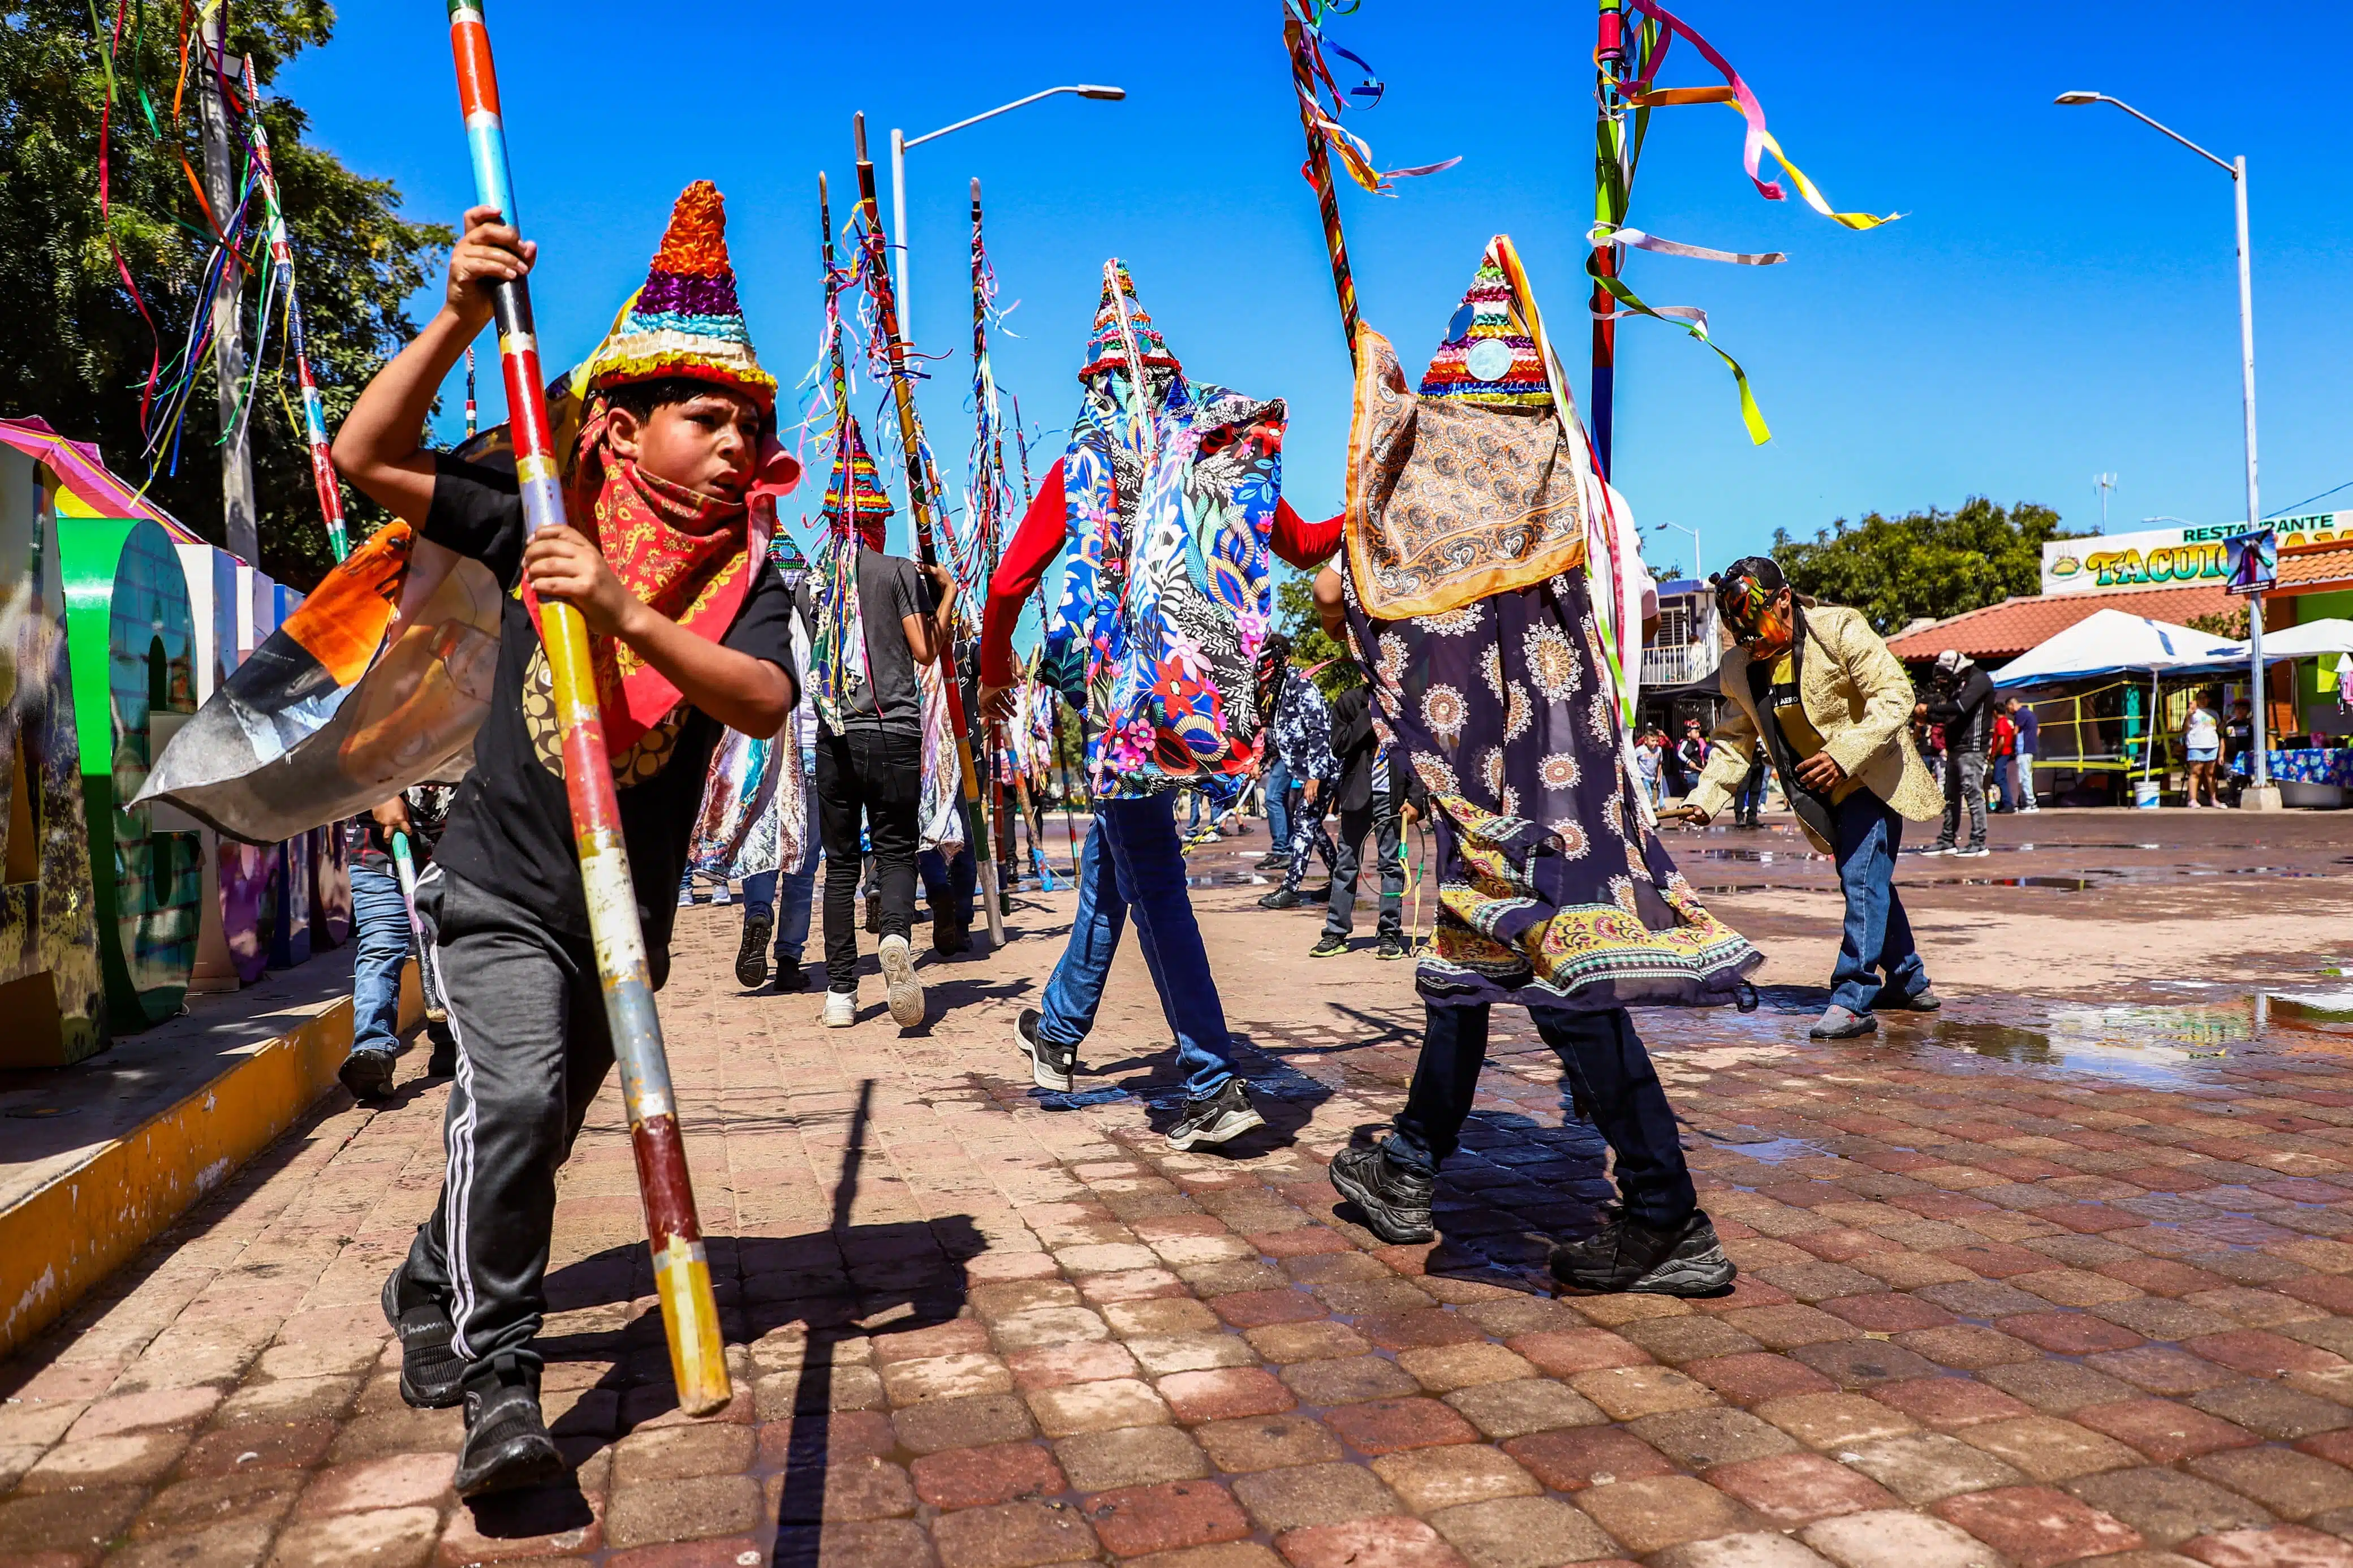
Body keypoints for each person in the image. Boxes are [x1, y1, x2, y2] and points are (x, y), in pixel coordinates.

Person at [333, 187, 800, 1498]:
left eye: (746, 429)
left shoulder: (749, 575)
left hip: (624, 916)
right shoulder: (543, 504)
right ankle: (503, 1391)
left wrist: (623, 616)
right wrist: (457, 317)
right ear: (617, 422)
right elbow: (368, 455)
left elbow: (761, 699)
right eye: (704, 419)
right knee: (519, 1096)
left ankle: (428, 1275)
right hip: (499, 883)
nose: (730, 448)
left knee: (532, 1126)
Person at [1317, 240, 1760, 1295]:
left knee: (1569, 988)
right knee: (1472, 970)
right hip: (1575, 774)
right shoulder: (1586, 495)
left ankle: (1666, 1215)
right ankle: (1414, 1161)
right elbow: (1635, 615)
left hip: (1500, 792)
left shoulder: (1433, 508)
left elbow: (1356, 608)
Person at [976, 261, 1339, 1149]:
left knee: (1152, 879)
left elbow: (1011, 584)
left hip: (1114, 712)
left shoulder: (1080, 472)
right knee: (1119, 870)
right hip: (1188, 702)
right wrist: (1365, 513)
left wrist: (993, 674)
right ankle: (1057, 1031)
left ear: (1093, 386)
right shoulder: (1208, 468)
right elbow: (1298, 544)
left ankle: (1211, 1081)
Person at [1681, 556, 1943, 1041]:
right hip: (1819, 795)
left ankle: (1852, 998)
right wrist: (1706, 796)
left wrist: (1843, 755)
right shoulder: (1740, 667)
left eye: (1754, 623)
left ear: (1784, 601)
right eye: (1738, 631)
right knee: (1870, 881)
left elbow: (1894, 698)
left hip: (1871, 776)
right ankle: (1908, 979)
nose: (1749, 640)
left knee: (1862, 879)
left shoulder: (1839, 628)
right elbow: (1733, 739)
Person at [797, 413, 958, 1028]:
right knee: (894, 851)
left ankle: (840, 993)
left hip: (834, 735)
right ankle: (894, 935)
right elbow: (926, 652)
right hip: (891, 730)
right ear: (869, 519)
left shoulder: (813, 584)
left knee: (839, 863)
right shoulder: (894, 573)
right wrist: (944, 595)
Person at [340, 785, 457, 1100]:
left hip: (455, 846)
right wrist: (378, 792)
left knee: (450, 940)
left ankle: (451, 1040)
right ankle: (372, 1049)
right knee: (381, 945)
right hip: (378, 852)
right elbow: (347, 753)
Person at [1308, 680, 1407, 959]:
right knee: (1347, 863)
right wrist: (1370, 713)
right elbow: (1339, 746)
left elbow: (1417, 753)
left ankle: (1389, 933)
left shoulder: (1403, 702)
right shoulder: (1349, 701)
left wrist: (1415, 798)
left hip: (1392, 796)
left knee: (1391, 865)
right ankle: (1335, 932)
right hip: (1357, 795)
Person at [1925, 649, 1993, 856]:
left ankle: (1978, 842)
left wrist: (1930, 708)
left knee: (1973, 794)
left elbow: (1961, 707)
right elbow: (1949, 714)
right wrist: (1932, 713)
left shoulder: (1979, 680)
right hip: (1955, 747)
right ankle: (1947, 839)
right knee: (1950, 796)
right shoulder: (1961, 683)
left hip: (1972, 747)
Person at [2183, 690, 2223, 808]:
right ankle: (2193, 800)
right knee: (2196, 772)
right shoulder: (2193, 713)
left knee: (2211, 773)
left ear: (2209, 699)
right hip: (2196, 745)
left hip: (2212, 745)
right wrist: (2188, 715)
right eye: (2199, 698)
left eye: (2205, 697)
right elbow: (2185, 729)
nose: (2202, 700)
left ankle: (2214, 799)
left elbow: (2219, 729)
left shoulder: (2214, 713)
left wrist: (2225, 721)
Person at [2007, 695, 2040, 813]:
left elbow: (2016, 731)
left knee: (2025, 776)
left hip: (2024, 749)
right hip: (2030, 748)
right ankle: (2028, 802)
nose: (2009, 712)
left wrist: (2009, 742)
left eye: (2008, 709)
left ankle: (2031, 803)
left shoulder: (2020, 714)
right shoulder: (2030, 713)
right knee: (2027, 776)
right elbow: (2038, 730)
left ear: (2012, 705)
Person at [1988, 705, 2016, 812]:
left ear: (1995, 712)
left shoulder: (2001, 723)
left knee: (1999, 778)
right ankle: (2005, 802)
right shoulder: (2006, 722)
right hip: (2005, 753)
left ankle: (2008, 803)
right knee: (2001, 778)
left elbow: (2002, 740)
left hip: (2003, 753)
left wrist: (1994, 753)